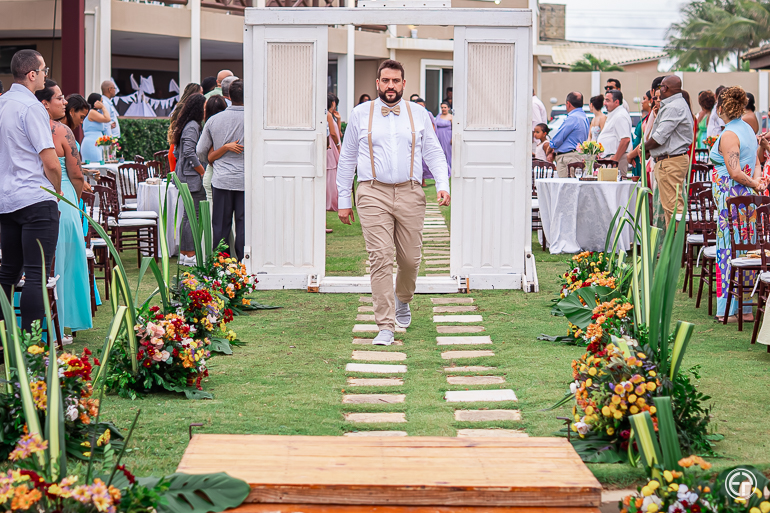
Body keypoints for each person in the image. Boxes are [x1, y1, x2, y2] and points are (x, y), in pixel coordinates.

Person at [336, 59, 450, 346]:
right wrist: (343, 199)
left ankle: (403, 298)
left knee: (410, 260)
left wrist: (443, 184)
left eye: (395, 81)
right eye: (385, 81)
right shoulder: (360, 114)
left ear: (403, 83)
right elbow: (347, 157)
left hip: (410, 191)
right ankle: (385, 326)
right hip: (372, 192)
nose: (390, 86)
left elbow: (434, 152)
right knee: (381, 257)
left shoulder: (418, 114)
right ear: (377, 83)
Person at [0, 49, 62, 331]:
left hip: (7, 200)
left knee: (7, 274)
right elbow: (51, 162)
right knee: (37, 276)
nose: (46, 75)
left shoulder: (2, 103)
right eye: (44, 70)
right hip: (35, 198)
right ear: (32, 74)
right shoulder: (32, 106)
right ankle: (32, 349)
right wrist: (57, 194)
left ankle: (4, 342)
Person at [36, 80, 91, 336]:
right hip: (63, 198)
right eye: (59, 98)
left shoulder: (21, 127)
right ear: (45, 103)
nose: (65, 102)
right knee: (66, 264)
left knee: (37, 265)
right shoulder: (61, 131)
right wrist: (74, 200)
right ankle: (62, 326)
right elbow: (76, 174)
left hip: (30, 198)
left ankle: (34, 327)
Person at [710, 86, 765, 322]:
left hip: (731, 201)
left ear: (721, 107)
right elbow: (755, 163)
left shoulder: (730, 134)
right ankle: (746, 309)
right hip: (745, 199)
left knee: (728, 250)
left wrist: (754, 183)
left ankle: (729, 310)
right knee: (745, 247)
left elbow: (734, 172)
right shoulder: (748, 130)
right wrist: (757, 183)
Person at [197, 79, 245, 261]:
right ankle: (243, 264)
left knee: (220, 226)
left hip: (222, 179)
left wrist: (211, 161)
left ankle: (221, 265)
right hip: (246, 179)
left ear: (228, 96)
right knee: (243, 225)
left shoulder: (214, 120)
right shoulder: (255, 120)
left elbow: (200, 150)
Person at [644, 75, 694, 227]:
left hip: (670, 161)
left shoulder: (673, 107)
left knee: (673, 209)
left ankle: (677, 242)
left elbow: (659, 138)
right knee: (671, 208)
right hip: (672, 160)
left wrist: (643, 148)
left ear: (665, 88)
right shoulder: (677, 104)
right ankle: (673, 241)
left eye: (661, 87)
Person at [173, 93, 207, 266]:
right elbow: (188, 151)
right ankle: (190, 254)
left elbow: (176, 152)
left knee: (188, 215)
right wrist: (201, 170)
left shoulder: (186, 125)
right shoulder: (193, 126)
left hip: (185, 175)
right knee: (193, 216)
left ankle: (185, 253)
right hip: (191, 178)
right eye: (204, 107)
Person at [550, 92, 590, 178]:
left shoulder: (573, 117)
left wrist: (550, 146)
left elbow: (559, 137)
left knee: (567, 185)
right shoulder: (584, 117)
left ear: (568, 103)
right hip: (578, 155)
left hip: (569, 158)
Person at [167, 82, 203, 171]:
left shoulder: (179, 108)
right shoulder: (186, 112)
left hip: (175, 147)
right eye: (201, 93)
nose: (203, 96)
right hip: (179, 149)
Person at [597, 89, 632, 173]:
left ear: (616, 102)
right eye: (605, 100)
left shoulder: (620, 116)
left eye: (607, 100)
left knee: (614, 182)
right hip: (610, 159)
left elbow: (625, 140)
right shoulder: (614, 114)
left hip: (616, 160)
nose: (604, 103)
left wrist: (615, 159)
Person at [202, 95, 229, 203]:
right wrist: (226, 147)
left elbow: (200, 151)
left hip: (211, 173)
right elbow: (210, 157)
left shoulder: (209, 124)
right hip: (220, 175)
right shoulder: (226, 127)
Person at [627, 91, 653, 176]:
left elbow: (645, 140)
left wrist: (630, 155)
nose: (642, 102)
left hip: (641, 156)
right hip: (636, 157)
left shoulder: (652, 118)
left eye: (644, 99)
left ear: (650, 101)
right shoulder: (646, 118)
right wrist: (631, 154)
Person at [80, 93, 111, 163]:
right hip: (92, 143)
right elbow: (108, 119)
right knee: (95, 164)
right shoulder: (91, 112)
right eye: (101, 102)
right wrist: (103, 107)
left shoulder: (94, 112)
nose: (102, 104)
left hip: (96, 143)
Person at [326, 93, 341, 213]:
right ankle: (331, 202)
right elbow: (333, 133)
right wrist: (338, 145)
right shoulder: (327, 115)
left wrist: (339, 119)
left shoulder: (330, 115)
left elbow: (338, 133)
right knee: (331, 172)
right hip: (331, 146)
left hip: (333, 145)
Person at [435, 101, 452, 175]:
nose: (443, 109)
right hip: (439, 136)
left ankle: (449, 170)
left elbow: (454, 128)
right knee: (440, 152)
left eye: (445, 107)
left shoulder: (451, 117)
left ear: (448, 108)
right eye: (442, 107)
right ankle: (440, 169)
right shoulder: (438, 116)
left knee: (448, 152)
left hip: (447, 136)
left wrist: (453, 138)